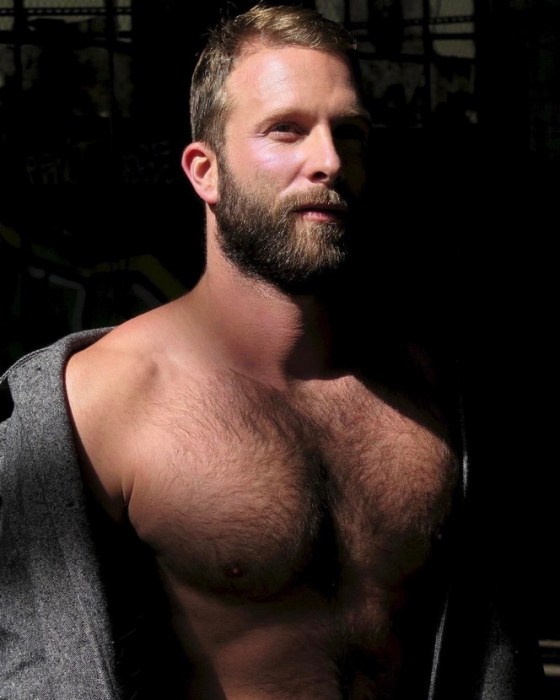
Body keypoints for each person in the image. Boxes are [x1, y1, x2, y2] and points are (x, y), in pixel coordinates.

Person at [0, 4, 545, 699]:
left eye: (349, 133)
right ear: (205, 171)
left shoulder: (437, 395)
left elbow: (493, 645)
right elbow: (35, 664)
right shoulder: (97, 402)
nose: (329, 161)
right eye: (286, 130)